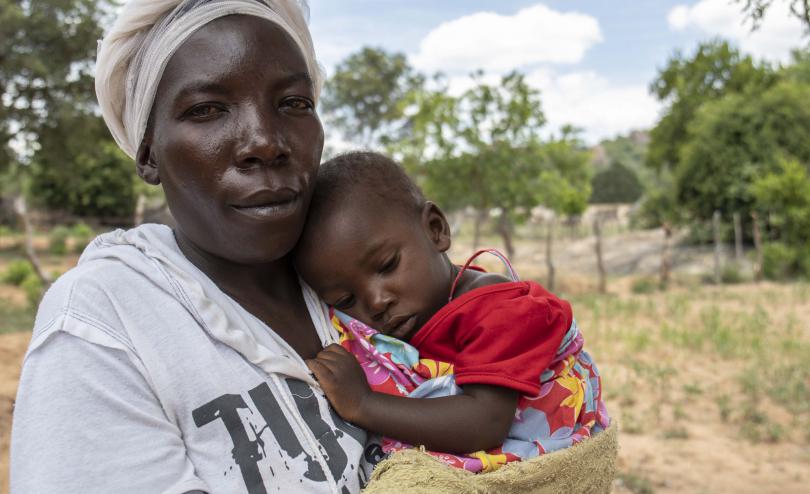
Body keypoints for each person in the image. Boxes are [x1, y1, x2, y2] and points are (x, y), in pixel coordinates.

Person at [10, 2, 377, 493]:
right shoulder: (106, 319)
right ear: (148, 155)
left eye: (293, 103)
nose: (266, 142)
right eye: (206, 109)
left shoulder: (364, 277)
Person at [294, 151, 609, 473]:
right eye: (345, 300)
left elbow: (484, 422)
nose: (376, 302)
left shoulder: (496, 309)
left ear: (435, 229)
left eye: (387, 266)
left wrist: (363, 404)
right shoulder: (421, 311)